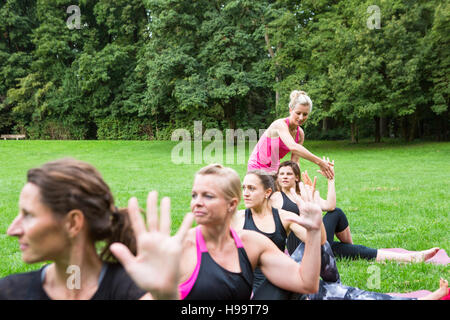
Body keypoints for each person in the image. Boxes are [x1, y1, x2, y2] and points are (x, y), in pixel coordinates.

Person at [112, 163, 324, 300]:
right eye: (194, 195)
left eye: (208, 196)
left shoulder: (251, 244)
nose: (197, 203)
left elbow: (306, 283)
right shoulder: (182, 247)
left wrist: (314, 231)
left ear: (232, 204)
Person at [234, 170, 449, 300]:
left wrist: (314, 219)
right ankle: (333, 285)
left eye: (251, 188)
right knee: (341, 293)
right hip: (267, 290)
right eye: (244, 188)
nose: (245, 192)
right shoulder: (237, 219)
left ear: (267, 193)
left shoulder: (282, 216)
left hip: (292, 278)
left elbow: (320, 243)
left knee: (343, 287)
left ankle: (421, 298)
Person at [0, 158, 175, 300]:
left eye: (28, 215)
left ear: (73, 223)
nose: (12, 230)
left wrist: (166, 297)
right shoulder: (10, 292)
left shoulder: (131, 291)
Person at [271, 160, 440, 262]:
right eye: (282, 174)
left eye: (289, 174)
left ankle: (411, 258)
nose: (285, 176)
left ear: (297, 177)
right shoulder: (275, 198)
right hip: (299, 248)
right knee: (336, 214)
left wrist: (331, 180)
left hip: (319, 241)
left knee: (361, 250)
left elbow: (329, 205)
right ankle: (347, 246)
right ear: (277, 177)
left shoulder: (306, 192)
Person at [247, 90, 334, 179]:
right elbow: (293, 147)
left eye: (305, 114)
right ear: (290, 110)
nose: (301, 117)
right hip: (257, 168)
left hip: (274, 170)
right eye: (298, 113)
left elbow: (295, 161)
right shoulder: (279, 124)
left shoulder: (300, 134)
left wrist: (298, 181)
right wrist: (319, 162)